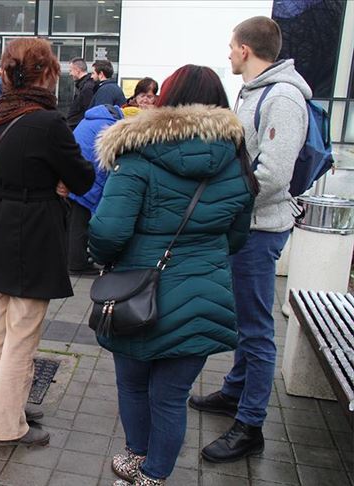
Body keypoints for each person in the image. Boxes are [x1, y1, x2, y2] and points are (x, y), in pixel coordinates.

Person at [88, 65, 256, 486]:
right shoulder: (236, 160)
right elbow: (237, 237)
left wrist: (102, 259)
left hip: (137, 292)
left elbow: (108, 232)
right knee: (171, 396)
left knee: (132, 384)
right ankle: (154, 476)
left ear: (166, 102)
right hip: (204, 294)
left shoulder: (137, 155)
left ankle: (136, 456)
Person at [189, 16, 311, 464]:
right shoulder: (254, 92)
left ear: (244, 49)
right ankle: (234, 391)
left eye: (231, 46)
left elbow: (273, 175)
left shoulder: (282, 97)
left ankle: (250, 425)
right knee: (244, 321)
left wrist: (224, 203)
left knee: (257, 329)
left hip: (260, 231)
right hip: (247, 226)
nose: (228, 53)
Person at [0, 38, 95, 447]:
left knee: (1, 315)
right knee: (23, 329)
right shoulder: (47, 122)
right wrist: (58, 181)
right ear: (44, 74)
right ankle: (6, 424)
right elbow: (83, 178)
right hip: (34, 227)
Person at [65, 103, 124, 274]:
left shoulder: (93, 118)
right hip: (86, 176)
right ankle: (76, 263)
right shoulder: (111, 126)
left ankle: (71, 257)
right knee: (80, 222)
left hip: (72, 171)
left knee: (72, 220)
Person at [65, 57, 95, 129]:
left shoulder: (87, 88)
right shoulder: (83, 86)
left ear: (77, 70)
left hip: (77, 127)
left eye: (71, 70)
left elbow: (87, 111)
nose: (70, 74)